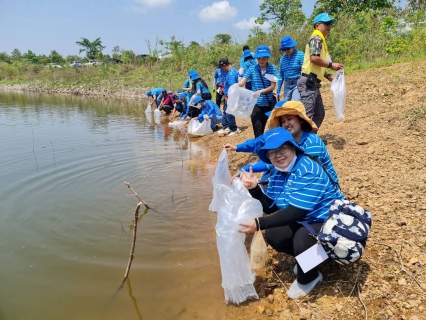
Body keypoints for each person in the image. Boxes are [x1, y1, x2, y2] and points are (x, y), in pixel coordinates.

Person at [237, 127, 345, 299]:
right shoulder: (278, 173)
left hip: (329, 220)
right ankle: (309, 260)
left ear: (293, 147)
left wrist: (258, 223)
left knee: (303, 241)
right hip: (306, 220)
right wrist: (255, 189)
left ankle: (310, 276)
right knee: (274, 234)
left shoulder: (307, 168)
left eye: (282, 149)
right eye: (272, 152)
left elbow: (296, 211)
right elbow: (271, 207)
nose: (278, 155)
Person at [224, 100, 339, 185]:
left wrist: (250, 168)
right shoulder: (284, 138)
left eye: (290, 119)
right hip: (300, 179)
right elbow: (259, 142)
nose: (286, 124)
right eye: (283, 121)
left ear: (301, 120)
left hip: (321, 187)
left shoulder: (311, 142)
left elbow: (302, 170)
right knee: (271, 174)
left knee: (274, 171)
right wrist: (237, 148)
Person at [297, 13, 343, 128]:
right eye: (326, 23)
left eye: (330, 24)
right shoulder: (317, 38)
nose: (329, 26)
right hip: (309, 82)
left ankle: (310, 138)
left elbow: (318, 65)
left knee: (320, 113)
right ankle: (300, 143)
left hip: (313, 82)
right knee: (307, 116)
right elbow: (314, 59)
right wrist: (331, 65)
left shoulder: (320, 39)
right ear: (317, 25)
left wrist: (328, 76)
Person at [238, 45, 279, 138]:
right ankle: (259, 149)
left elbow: (273, 86)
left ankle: (262, 146)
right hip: (255, 103)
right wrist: (233, 87)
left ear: (267, 58)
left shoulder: (272, 69)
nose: (261, 60)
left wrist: (261, 91)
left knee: (263, 125)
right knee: (257, 127)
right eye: (259, 58)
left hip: (267, 103)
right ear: (256, 58)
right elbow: (243, 81)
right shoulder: (252, 69)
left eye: (264, 58)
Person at [217, 58, 241, 137]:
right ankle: (226, 126)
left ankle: (234, 129)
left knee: (229, 112)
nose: (221, 70)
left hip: (230, 96)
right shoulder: (230, 72)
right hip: (227, 95)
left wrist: (228, 97)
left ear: (224, 66)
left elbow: (232, 87)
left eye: (221, 68)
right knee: (225, 111)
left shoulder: (231, 73)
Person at [276, 36, 304, 102]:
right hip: (287, 85)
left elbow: (304, 71)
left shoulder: (300, 55)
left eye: (288, 49)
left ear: (292, 46)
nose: (286, 51)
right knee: (287, 104)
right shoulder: (282, 59)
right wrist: (278, 89)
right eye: (284, 49)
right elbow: (281, 75)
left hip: (297, 83)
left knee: (295, 103)